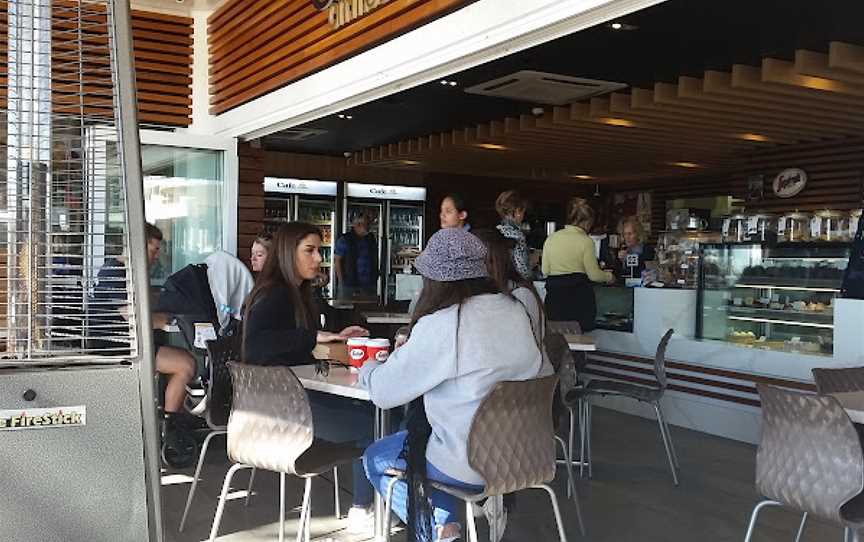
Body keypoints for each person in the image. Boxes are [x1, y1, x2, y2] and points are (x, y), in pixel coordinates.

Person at [361, 228, 552, 542]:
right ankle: (446, 528)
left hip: (469, 464)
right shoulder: (516, 311)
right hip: (526, 457)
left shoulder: (445, 324)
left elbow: (383, 393)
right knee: (436, 443)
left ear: (433, 280)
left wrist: (369, 367)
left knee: (377, 458)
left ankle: (439, 534)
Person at [242, 222, 384, 533]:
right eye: (310, 250)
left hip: (280, 407)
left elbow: (295, 351)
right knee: (376, 423)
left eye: (319, 251)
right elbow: (255, 345)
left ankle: (373, 504)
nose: (319, 258)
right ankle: (365, 507)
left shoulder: (295, 294)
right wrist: (311, 337)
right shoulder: (276, 294)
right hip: (284, 414)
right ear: (286, 253)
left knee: (373, 416)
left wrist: (330, 341)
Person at [92, 223, 196, 434]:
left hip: (130, 343)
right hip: (117, 348)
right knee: (186, 364)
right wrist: (164, 319)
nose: (157, 255)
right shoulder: (116, 273)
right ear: (138, 246)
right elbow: (135, 318)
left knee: (182, 359)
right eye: (154, 249)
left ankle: (166, 419)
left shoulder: (129, 272)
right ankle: (169, 429)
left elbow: (149, 308)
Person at [542, 197, 614, 331]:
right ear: (587, 222)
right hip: (578, 302)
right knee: (580, 342)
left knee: (559, 342)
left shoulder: (551, 238)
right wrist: (609, 276)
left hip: (554, 301)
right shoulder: (586, 241)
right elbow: (594, 275)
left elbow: (545, 270)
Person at [334, 214, 379, 299]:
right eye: (367, 224)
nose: (369, 227)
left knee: (368, 309)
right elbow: (337, 260)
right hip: (350, 284)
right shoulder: (345, 239)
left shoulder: (370, 239)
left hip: (369, 284)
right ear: (358, 225)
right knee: (348, 309)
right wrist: (341, 282)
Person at [495, 190, 531, 280]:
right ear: (517, 211)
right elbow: (522, 270)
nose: (523, 216)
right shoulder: (517, 235)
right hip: (514, 284)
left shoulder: (496, 230)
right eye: (523, 212)